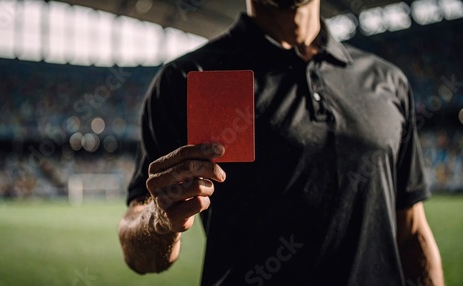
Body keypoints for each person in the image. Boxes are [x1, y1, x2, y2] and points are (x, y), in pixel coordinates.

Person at [118, 0, 445, 285]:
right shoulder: (188, 78)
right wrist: (160, 222)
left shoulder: (388, 81)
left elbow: (412, 232)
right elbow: (139, 256)